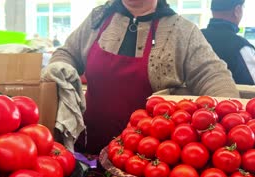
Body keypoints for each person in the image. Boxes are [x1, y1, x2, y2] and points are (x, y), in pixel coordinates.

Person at [43, 0, 239, 154]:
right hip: (88, 147)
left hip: (147, 159)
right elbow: (67, 53)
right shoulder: (98, 19)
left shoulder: (181, 30)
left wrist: (231, 122)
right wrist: (61, 68)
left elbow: (212, 74)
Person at [202, 0, 255, 86]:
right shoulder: (241, 46)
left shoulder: (196, 37)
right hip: (229, 98)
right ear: (237, 10)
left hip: (191, 98)